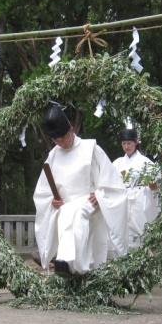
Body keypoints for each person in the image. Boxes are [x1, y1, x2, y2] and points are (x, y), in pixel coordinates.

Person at [33, 101, 129, 276]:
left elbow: (112, 182)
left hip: (90, 201)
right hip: (64, 205)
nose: (60, 143)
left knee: (77, 214)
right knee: (67, 215)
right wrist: (51, 200)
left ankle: (67, 262)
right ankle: (70, 266)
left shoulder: (91, 149)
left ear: (71, 130)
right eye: (56, 140)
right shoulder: (53, 156)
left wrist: (100, 194)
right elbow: (42, 191)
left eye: (63, 138)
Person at [112, 128, 160, 248]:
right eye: (124, 143)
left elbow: (155, 186)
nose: (126, 146)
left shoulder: (146, 163)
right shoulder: (117, 163)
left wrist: (150, 182)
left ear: (136, 143)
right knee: (122, 235)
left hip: (140, 202)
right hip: (123, 202)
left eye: (129, 143)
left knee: (141, 233)